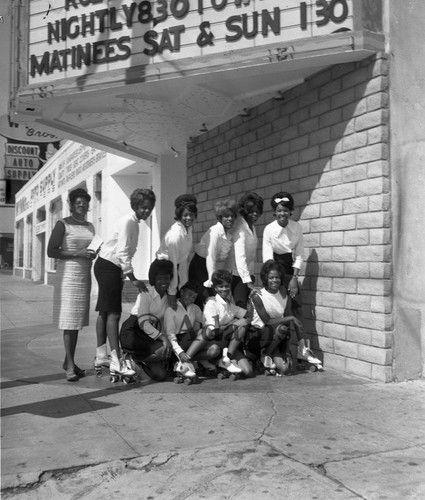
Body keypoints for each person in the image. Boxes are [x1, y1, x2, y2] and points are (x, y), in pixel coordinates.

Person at [93, 188, 156, 380]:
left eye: (149, 207)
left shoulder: (133, 221)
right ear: (135, 206)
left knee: (105, 312)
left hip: (108, 266)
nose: (146, 211)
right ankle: (116, 360)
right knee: (113, 313)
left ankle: (101, 356)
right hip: (109, 266)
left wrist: (124, 272)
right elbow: (122, 253)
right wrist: (133, 279)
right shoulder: (129, 221)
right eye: (143, 207)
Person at [262, 192, 321, 366]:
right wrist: (274, 282)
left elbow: (300, 254)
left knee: (297, 311)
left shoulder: (297, 227)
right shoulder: (269, 229)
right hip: (274, 273)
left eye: (286, 211)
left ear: (290, 211)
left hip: (290, 272)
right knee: (279, 311)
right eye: (279, 211)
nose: (282, 214)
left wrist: (294, 278)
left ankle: (303, 351)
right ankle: (274, 351)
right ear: (275, 212)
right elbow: (267, 258)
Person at [47, 188, 96, 381]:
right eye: (78, 202)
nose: (82, 205)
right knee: (69, 322)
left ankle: (70, 361)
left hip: (84, 275)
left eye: (84, 202)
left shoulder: (91, 226)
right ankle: (69, 365)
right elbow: (51, 251)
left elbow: (90, 249)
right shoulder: (63, 224)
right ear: (71, 204)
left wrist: (92, 253)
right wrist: (78, 253)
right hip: (68, 276)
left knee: (76, 323)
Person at [188, 269, 254, 378]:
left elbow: (248, 316)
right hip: (213, 343)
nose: (224, 289)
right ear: (215, 288)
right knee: (216, 347)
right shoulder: (212, 303)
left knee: (248, 371)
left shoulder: (230, 305)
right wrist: (234, 324)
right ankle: (189, 360)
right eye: (221, 286)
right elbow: (214, 331)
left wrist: (251, 299)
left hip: (227, 345)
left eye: (227, 286)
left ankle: (226, 359)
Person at [246, 260, 303, 375]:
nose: (274, 280)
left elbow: (286, 322)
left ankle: (268, 356)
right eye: (271, 277)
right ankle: (264, 355)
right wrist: (291, 318)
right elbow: (267, 321)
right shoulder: (258, 296)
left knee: (285, 369)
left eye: (277, 277)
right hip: (260, 335)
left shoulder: (285, 297)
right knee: (280, 329)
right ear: (265, 278)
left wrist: (286, 350)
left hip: (277, 338)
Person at [120, 259, 174, 381]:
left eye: (167, 278)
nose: (163, 282)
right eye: (160, 278)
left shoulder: (168, 297)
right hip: (133, 332)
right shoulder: (146, 292)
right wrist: (163, 338)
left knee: (161, 376)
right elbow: (143, 323)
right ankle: (130, 357)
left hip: (149, 335)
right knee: (163, 349)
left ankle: (137, 362)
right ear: (154, 278)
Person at [164, 280, 221, 378]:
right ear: (182, 292)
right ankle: (183, 359)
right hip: (179, 342)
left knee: (214, 349)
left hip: (192, 342)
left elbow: (202, 325)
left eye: (194, 297)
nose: (191, 299)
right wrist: (180, 352)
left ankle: (185, 361)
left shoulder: (195, 308)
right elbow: (170, 335)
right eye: (189, 294)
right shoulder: (171, 309)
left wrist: (209, 304)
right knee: (205, 331)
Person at [188, 199, 238, 307]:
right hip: (199, 267)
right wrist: (212, 279)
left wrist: (228, 277)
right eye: (226, 216)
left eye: (232, 216)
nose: (230, 219)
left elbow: (230, 258)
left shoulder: (229, 234)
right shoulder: (215, 231)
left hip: (208, 267)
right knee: (206, 297)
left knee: (216, 298)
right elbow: (210, 256)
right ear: (220, 217)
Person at [152, 194, 197, 309]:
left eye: (191, 215)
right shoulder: (175, 235)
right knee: (162, 307)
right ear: (179, 215)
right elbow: (173, 262)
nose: (189, 218)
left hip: (174, 267)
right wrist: (172, 292)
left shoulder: (188, 229)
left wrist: (184, 285)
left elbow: (183, 259)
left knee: (174, 307)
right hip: (162, 269)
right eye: (185, 215)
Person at [229, 192, 264, 308]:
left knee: (248, 309)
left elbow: (252, 256)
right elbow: (240, 257)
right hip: (237, 276)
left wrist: (251, 277)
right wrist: (248, 282)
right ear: (245, 211)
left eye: (257, 210)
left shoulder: (252, 227)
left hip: (248, 275)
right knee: (241, 308)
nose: (255, 214)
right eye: (251, 210)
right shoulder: (240, 228)